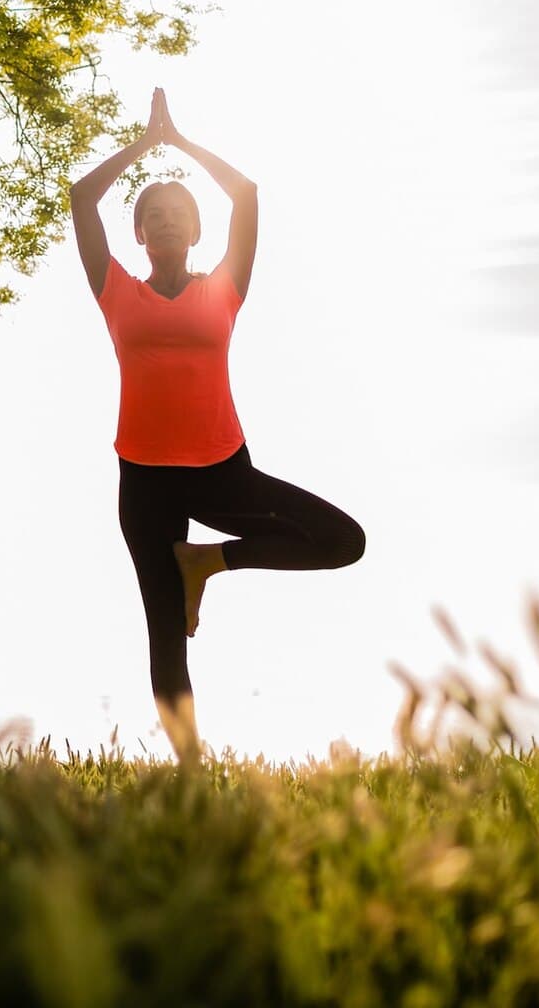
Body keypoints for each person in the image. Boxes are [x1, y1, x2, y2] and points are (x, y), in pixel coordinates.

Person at [69, 88, 365, 761]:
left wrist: (185, 145)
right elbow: (83, 200)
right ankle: (191, 775)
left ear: (197, 230)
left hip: (225, 474)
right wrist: (146, 146)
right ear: (138, 234)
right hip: (145, 484)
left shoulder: (224, 286)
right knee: (164, 634)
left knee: (342, 540)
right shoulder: (117, 290)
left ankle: (209, 561)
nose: (168, 222)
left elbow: (248, 195)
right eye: (154, 216)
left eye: (180, 214)